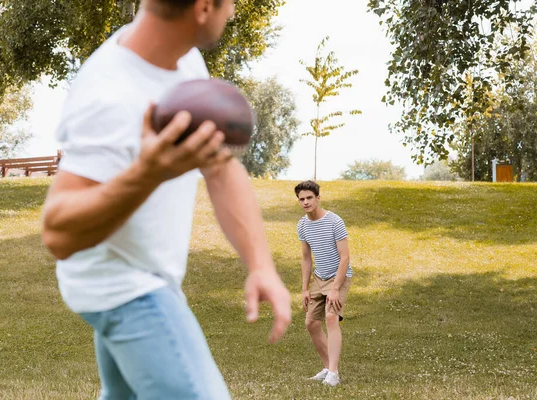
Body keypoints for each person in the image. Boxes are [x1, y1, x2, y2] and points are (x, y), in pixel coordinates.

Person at [41, 1, 291, 398]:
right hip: (123, 287)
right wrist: (149, 172)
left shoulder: (185, 62)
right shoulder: (108, 94)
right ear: (204, 8)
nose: (234, 11)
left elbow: (221, 169)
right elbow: (57, 234)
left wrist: (260, 264)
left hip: (150, 278)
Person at [294, 180, 353, 387]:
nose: (306, 202)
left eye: (309, 198)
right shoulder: (302, 225)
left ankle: (334, 374)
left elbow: (345, 258)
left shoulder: (334, 221)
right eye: (301, 199)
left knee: (330, 318)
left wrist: (335, 289)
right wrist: (304, 289)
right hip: (319, 278)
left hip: (339, 276)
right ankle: (328, 367)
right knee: (311, 323)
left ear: (318, 198)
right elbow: (306, 258)